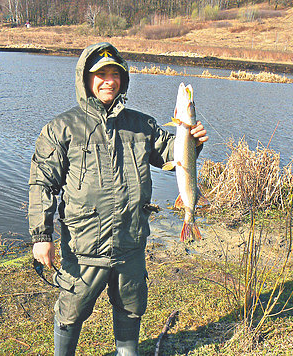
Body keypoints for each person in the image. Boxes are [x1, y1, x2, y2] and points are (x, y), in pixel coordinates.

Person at [28, 42, 208, 355]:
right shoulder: (61, 128)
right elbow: (42, 183)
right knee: (70, 312)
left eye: (115, 74)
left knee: (131, 306)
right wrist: (41, 236)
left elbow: (170, 155)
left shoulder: (143, 125)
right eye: (100, 74)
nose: (109, 80)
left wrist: (192, 142)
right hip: (83, 246)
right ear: (86, 79)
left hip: (131, 243)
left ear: (123, 79)